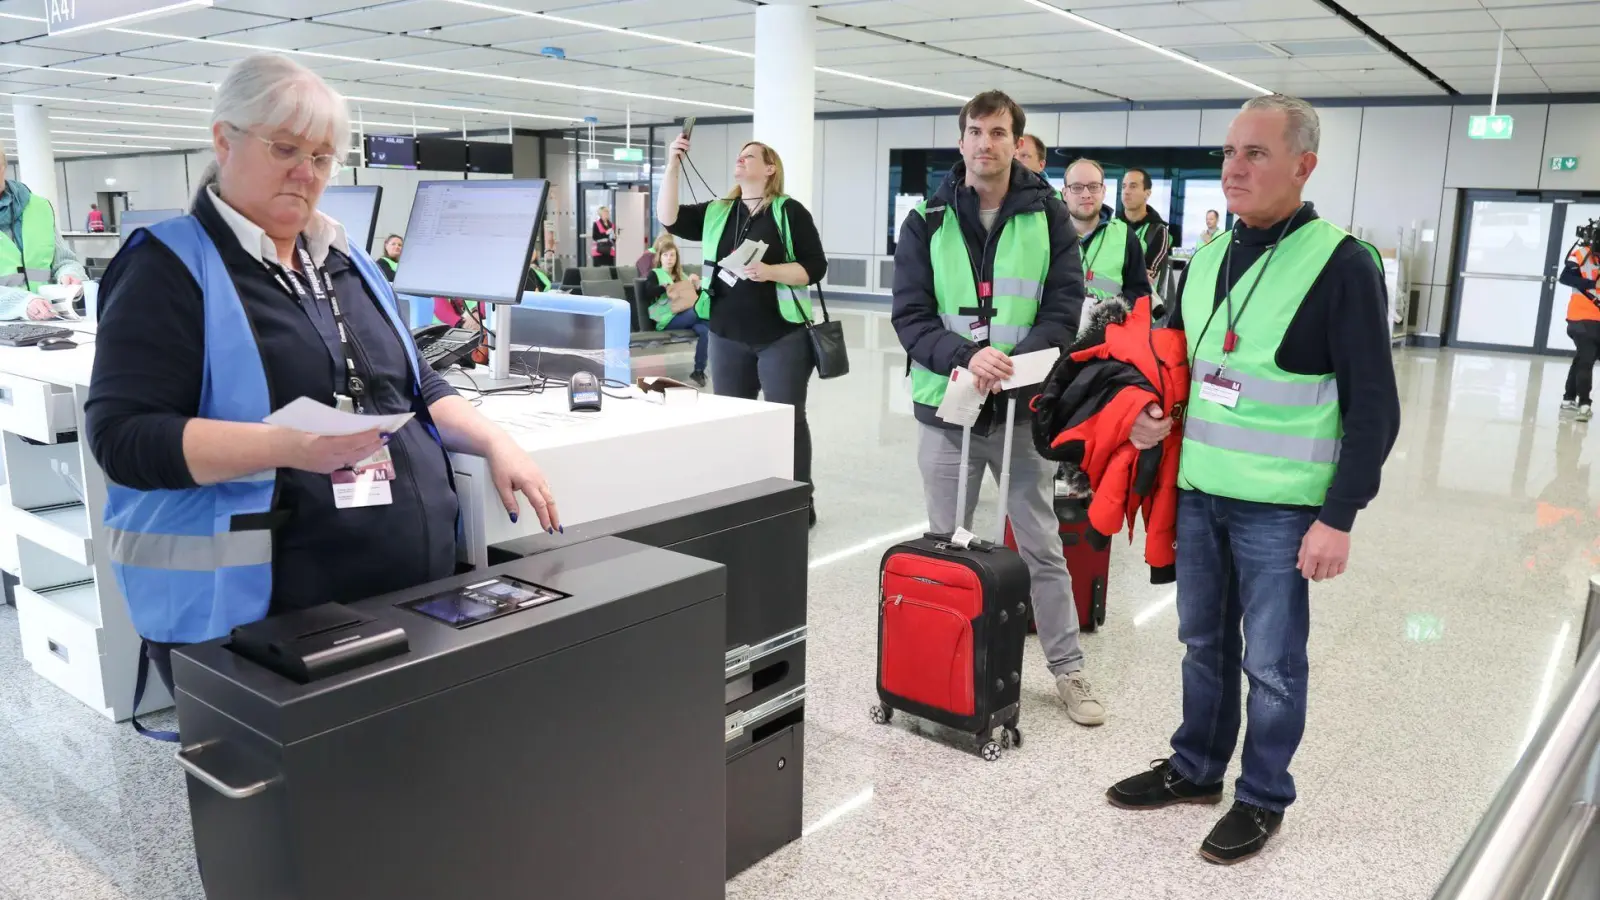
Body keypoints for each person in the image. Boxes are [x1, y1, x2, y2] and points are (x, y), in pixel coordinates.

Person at [84, 53, 562, 703]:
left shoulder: (346, 260)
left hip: (401, 598)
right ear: (225, 140)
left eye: (322, 156)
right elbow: (122, 439)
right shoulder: (168, 267)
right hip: (259, 620)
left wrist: (493, 440)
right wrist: (286, 447)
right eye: (285, 148)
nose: (306, 172)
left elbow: (414, 383)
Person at [1106, 94, 1400, 865]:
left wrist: (1341, 515)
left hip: (1283, 510)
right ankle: (1197, 769)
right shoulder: (1202, 260)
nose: (1235, 168)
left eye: (1257, 154)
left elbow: (1374, 407)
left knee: (1270, 662)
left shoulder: (1341, 264)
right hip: (1201, 493)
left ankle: (1263, 796)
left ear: (1303, 166)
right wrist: (1143, 420)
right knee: (1201, 642)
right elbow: (1175, 373)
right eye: (1230, 153)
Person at [891, 90, 1104, 726]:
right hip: (947, 409)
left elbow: (1064, 310)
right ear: (961, 142)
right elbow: (910, 316)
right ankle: (941, 668)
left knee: (1041, 547)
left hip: (1019, 410)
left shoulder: (1050, 219)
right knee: (947, 547)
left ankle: (1069, 672)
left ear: (1018, 143)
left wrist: (1009, 364)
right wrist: (965, 355)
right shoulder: (924, 220)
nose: (986, 143)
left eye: (999, 132)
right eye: (976, 131)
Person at [658, 138, 828, 525]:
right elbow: (669, 217)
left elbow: (815, 267)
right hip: (725, 334)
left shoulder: (788, 212)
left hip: (781, 336)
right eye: (739, 154)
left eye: (751, 155)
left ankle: (800, 499)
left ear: (770, 168)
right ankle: (742, 494)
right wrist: (672, 164)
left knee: (787, 420)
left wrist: (770, 272)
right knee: (735, 419)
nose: (741, 157)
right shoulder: (719, 211)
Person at [0, 141, 87, 322]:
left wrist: (70, 275)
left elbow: (64, 261)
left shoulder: (37, 207)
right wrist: (21, 303)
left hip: (50, 320)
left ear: (3, 167)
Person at [1062, 158, 1149, 331]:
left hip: (1107, 342)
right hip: (1057, 338)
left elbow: (1140, 293)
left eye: (1093, 186)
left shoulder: (1125, 236)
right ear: (1065, 193)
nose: (1086, 194)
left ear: (1103, 191)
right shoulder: (1049, 235)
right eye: (1077, 187)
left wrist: (1115, 312)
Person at [642, 236, 710, 386]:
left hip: (685, 316)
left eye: (672, 255)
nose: (669, 258)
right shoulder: (655, 274)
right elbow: (647, 293)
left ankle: (698, 370)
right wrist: (663, 288)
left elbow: (692, 298)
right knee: (698, 314)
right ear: (660, 257)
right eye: (665, 255)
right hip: (667, 319)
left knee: (705, 330)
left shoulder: (682, 275)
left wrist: (696, 286)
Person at [1558, 237, 1600, 422]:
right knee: (1586, 360)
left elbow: (1566, 277)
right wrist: (1592, 284)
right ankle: (1584, 405)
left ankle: (1568, 399)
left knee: (1583, 357)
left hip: (1579, 318)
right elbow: (1565, 278)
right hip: (1586, 318)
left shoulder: (1580, 253)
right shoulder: (1582, 254)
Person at [1120, 167, 1172, 296]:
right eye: (1124, 186)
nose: (1126, 192)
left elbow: (1147, 277)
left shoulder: (1159, 231)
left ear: (1147, 193)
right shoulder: (1111, 227)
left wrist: (1116, 269)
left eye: (1133, 186)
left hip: (1142, 307)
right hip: (1109, 305)